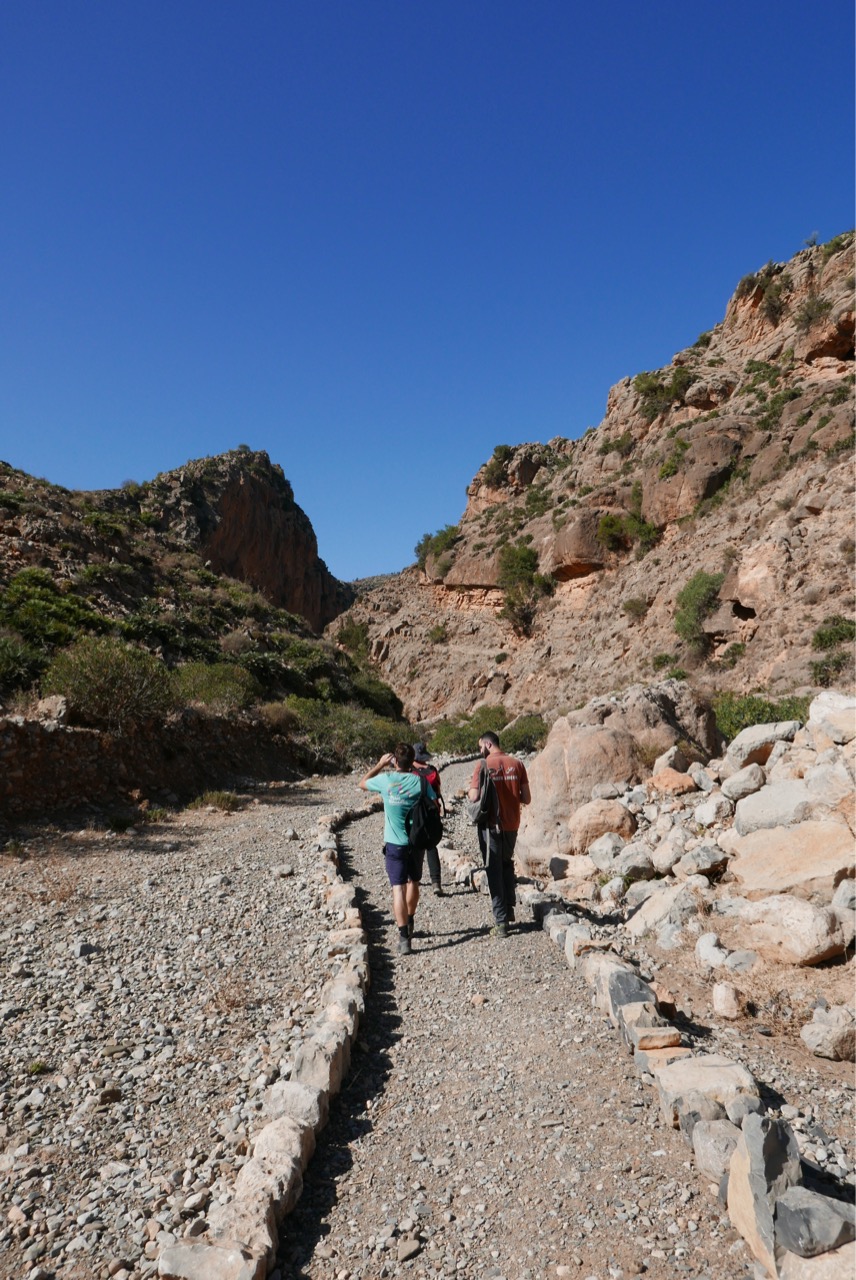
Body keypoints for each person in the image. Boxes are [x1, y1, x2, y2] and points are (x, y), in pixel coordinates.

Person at [359, 742, 436, 955]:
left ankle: (404, 939)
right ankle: (410, 920)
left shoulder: (385, 780)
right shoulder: (421, 781)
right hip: (416, 841)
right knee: (414, 882)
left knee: (397, 888)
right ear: (413, 761)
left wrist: (379, 765)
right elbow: (434, 804)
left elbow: (362, 783)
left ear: (394, 761)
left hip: (394, 843)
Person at [467, 731, 530, 938]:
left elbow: (474, 796)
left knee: (493, 869)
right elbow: (526, 798)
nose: (480, 750)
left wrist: (474, 790)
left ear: (487, 744)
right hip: (512, 824)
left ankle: (501, 922)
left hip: (491, 825)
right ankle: (510, 906)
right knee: (506, 862)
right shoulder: (517, 764)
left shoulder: (483, 765)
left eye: (480, 747)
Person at [412, 742, 444, 895]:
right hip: (432, 812)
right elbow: (438, 792)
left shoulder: (409, 772)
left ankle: (414, 878)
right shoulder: (432, 771)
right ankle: (436, 882)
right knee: (431, 846)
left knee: (415, 845)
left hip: (415, 814)